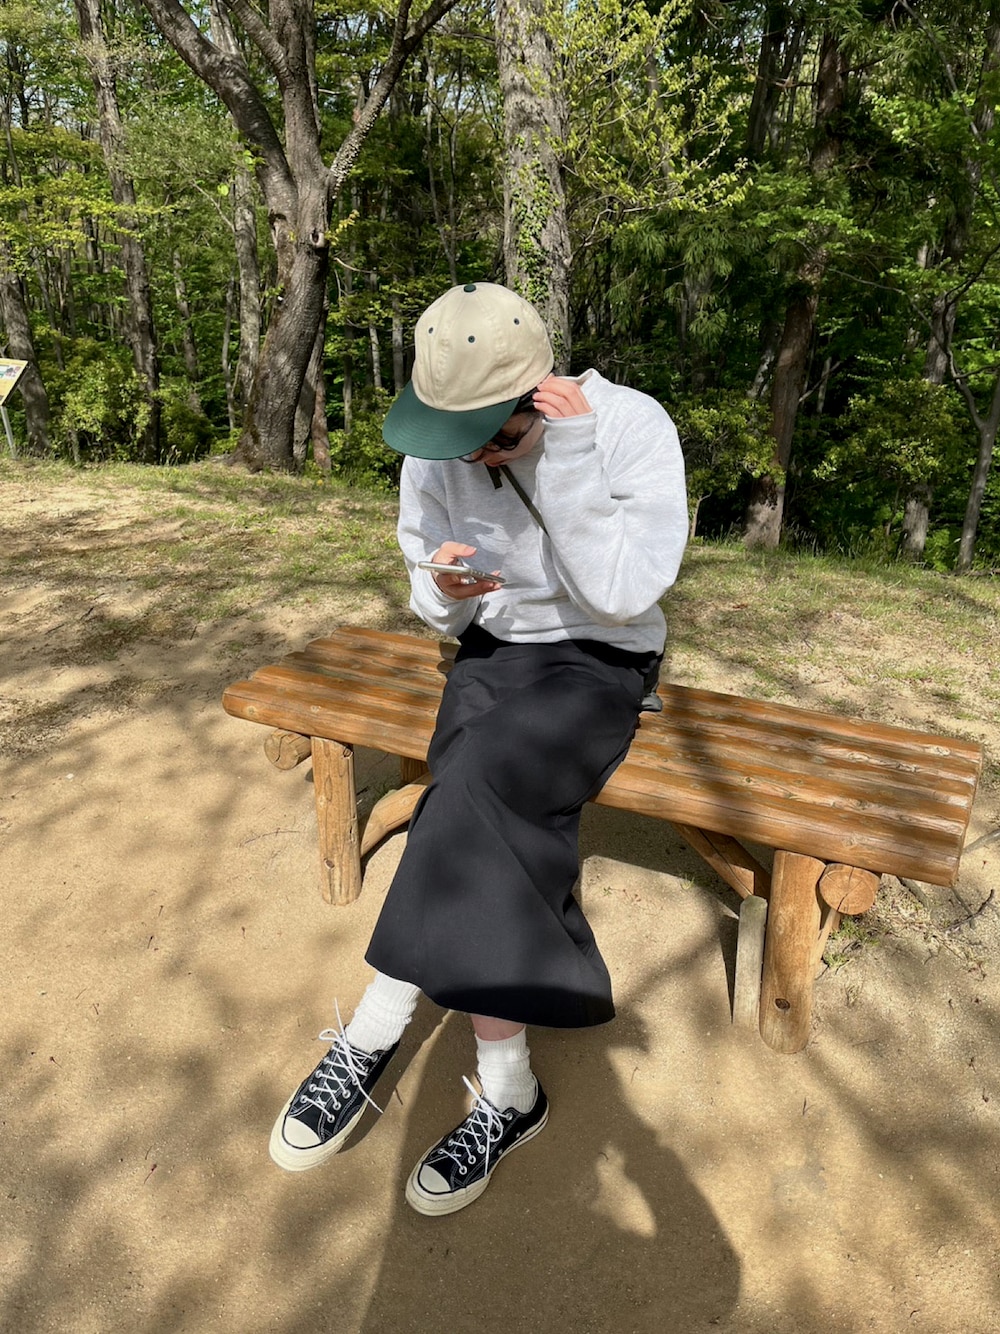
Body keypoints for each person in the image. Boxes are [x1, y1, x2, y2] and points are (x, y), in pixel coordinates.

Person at [269, 281, 688, 1216]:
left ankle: (375, 1030)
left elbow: (624, 593)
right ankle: (510, 1091)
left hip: (603, 657)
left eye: (493, 440)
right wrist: (444, 590)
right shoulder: (443, 447)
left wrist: (566, 456)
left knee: (472, 784)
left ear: (538, 394)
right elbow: (429, 586)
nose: (471, 458)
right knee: (467, 791)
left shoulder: (629, 426)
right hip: (496, 651)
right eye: (455, 440)